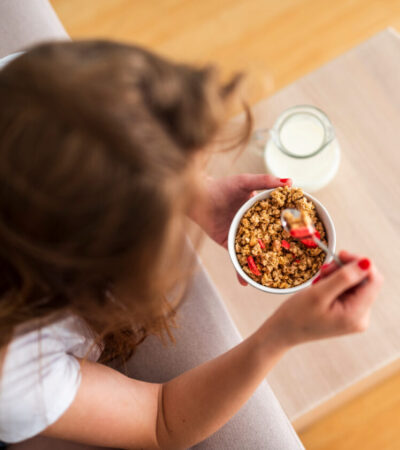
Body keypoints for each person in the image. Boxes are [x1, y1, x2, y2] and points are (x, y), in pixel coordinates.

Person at [0, 1, 383, 449]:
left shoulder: (25, 91)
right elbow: (159, 421)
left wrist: (193, 190)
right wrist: (280, 336)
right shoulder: (13, 371)